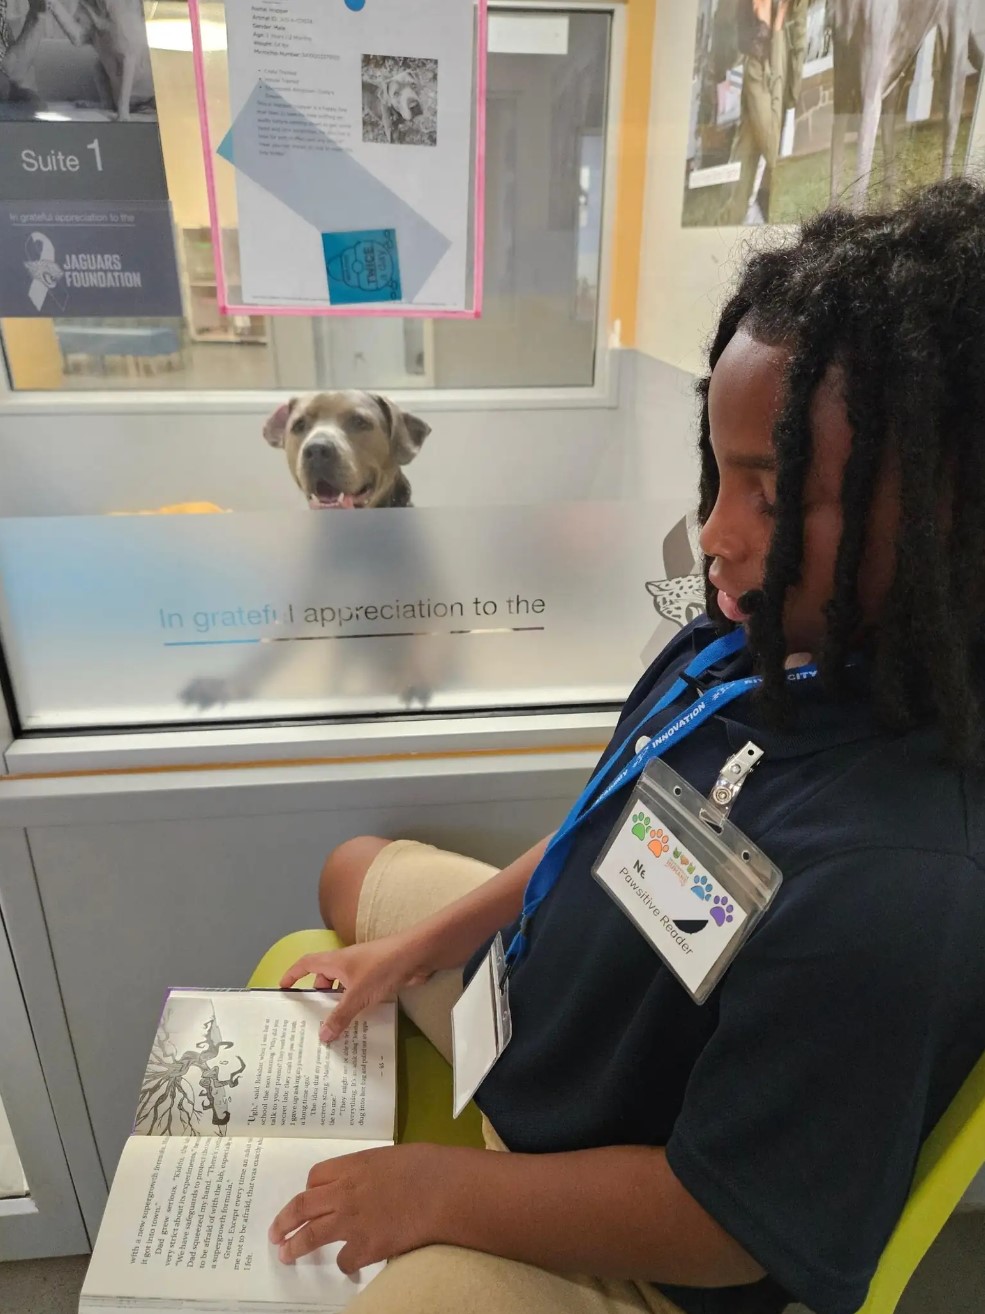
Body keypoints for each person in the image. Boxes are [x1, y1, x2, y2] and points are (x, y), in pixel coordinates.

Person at [269, 178, 985, 1314]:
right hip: (551, 1030)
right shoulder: (737, 645)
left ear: (954, 509)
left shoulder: (901, 879)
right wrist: (417, 951)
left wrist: (434, 1193)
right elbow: (610, 820)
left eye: (778, 489)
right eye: (722, 473)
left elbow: (719, 1228)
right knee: (348, 874)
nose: (714, 534)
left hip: (642, 1229)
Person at [723, 0, 808, 224]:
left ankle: (735, 217)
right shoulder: (751, 13)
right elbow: (774, 154)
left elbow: (799, 43)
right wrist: (772, 24)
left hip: (773, 69)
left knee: (745, 159)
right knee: (768, 155)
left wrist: (780, 24)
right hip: (759, 70)